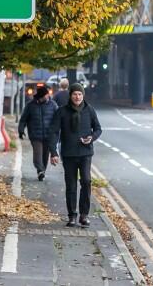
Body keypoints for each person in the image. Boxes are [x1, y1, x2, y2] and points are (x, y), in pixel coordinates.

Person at [49, 83, 102, 227]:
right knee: (71, 185)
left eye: (80, 94)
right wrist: (53, 152)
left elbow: (98, 129)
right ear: (70, 95)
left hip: (85, 153)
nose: (77, 97)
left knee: (86, 181)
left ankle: (84, 215)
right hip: (69, 154)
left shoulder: (89, 110)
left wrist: (92, 137)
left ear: (83, 96)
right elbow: (53, 132)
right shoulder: (62, 112)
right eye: (74, 94)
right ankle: (72, 215)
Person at [18, 85, 58, 180]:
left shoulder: (53, 105)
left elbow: (58, 118)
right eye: (45, 95)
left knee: (45, 155)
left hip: (48, 135)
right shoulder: (30, 105)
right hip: (35, 135)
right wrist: (21, 130)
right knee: (37, 154)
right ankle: (40, 170)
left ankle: (42, 171)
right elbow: (23, 119)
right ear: (41, 96)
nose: (47, 96)